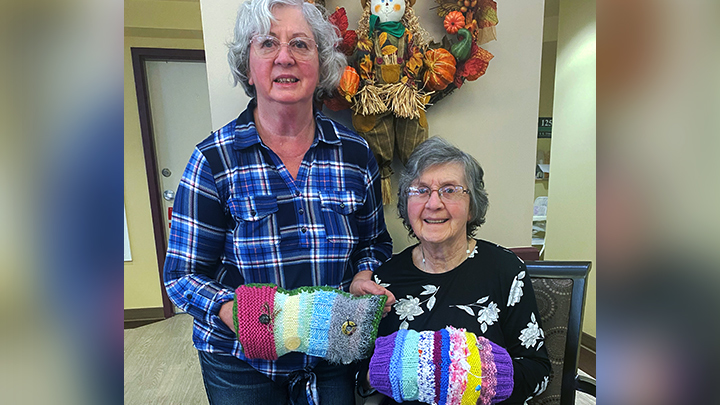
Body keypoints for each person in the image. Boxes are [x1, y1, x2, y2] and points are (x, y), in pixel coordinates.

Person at [162, 0, 395, 403]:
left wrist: (363, 277)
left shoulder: (355, 154)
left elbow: (374, 242)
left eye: (301, 45)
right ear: (247, 65)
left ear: (321, 65)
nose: (285, 57)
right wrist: (227, 308)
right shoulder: (213, 160)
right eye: (268, 44)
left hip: (331, 353)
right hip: (239, 361)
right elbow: (181, 275)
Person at [360, 136, 551, 404]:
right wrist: (378, 373)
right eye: (421, 190)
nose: (434, 203)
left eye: (449, 190)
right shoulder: (384, 279)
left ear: (472, 206)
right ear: (406, 204)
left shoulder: (506, 270)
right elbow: (360, 374)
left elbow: (538, 372)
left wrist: (471, 375)